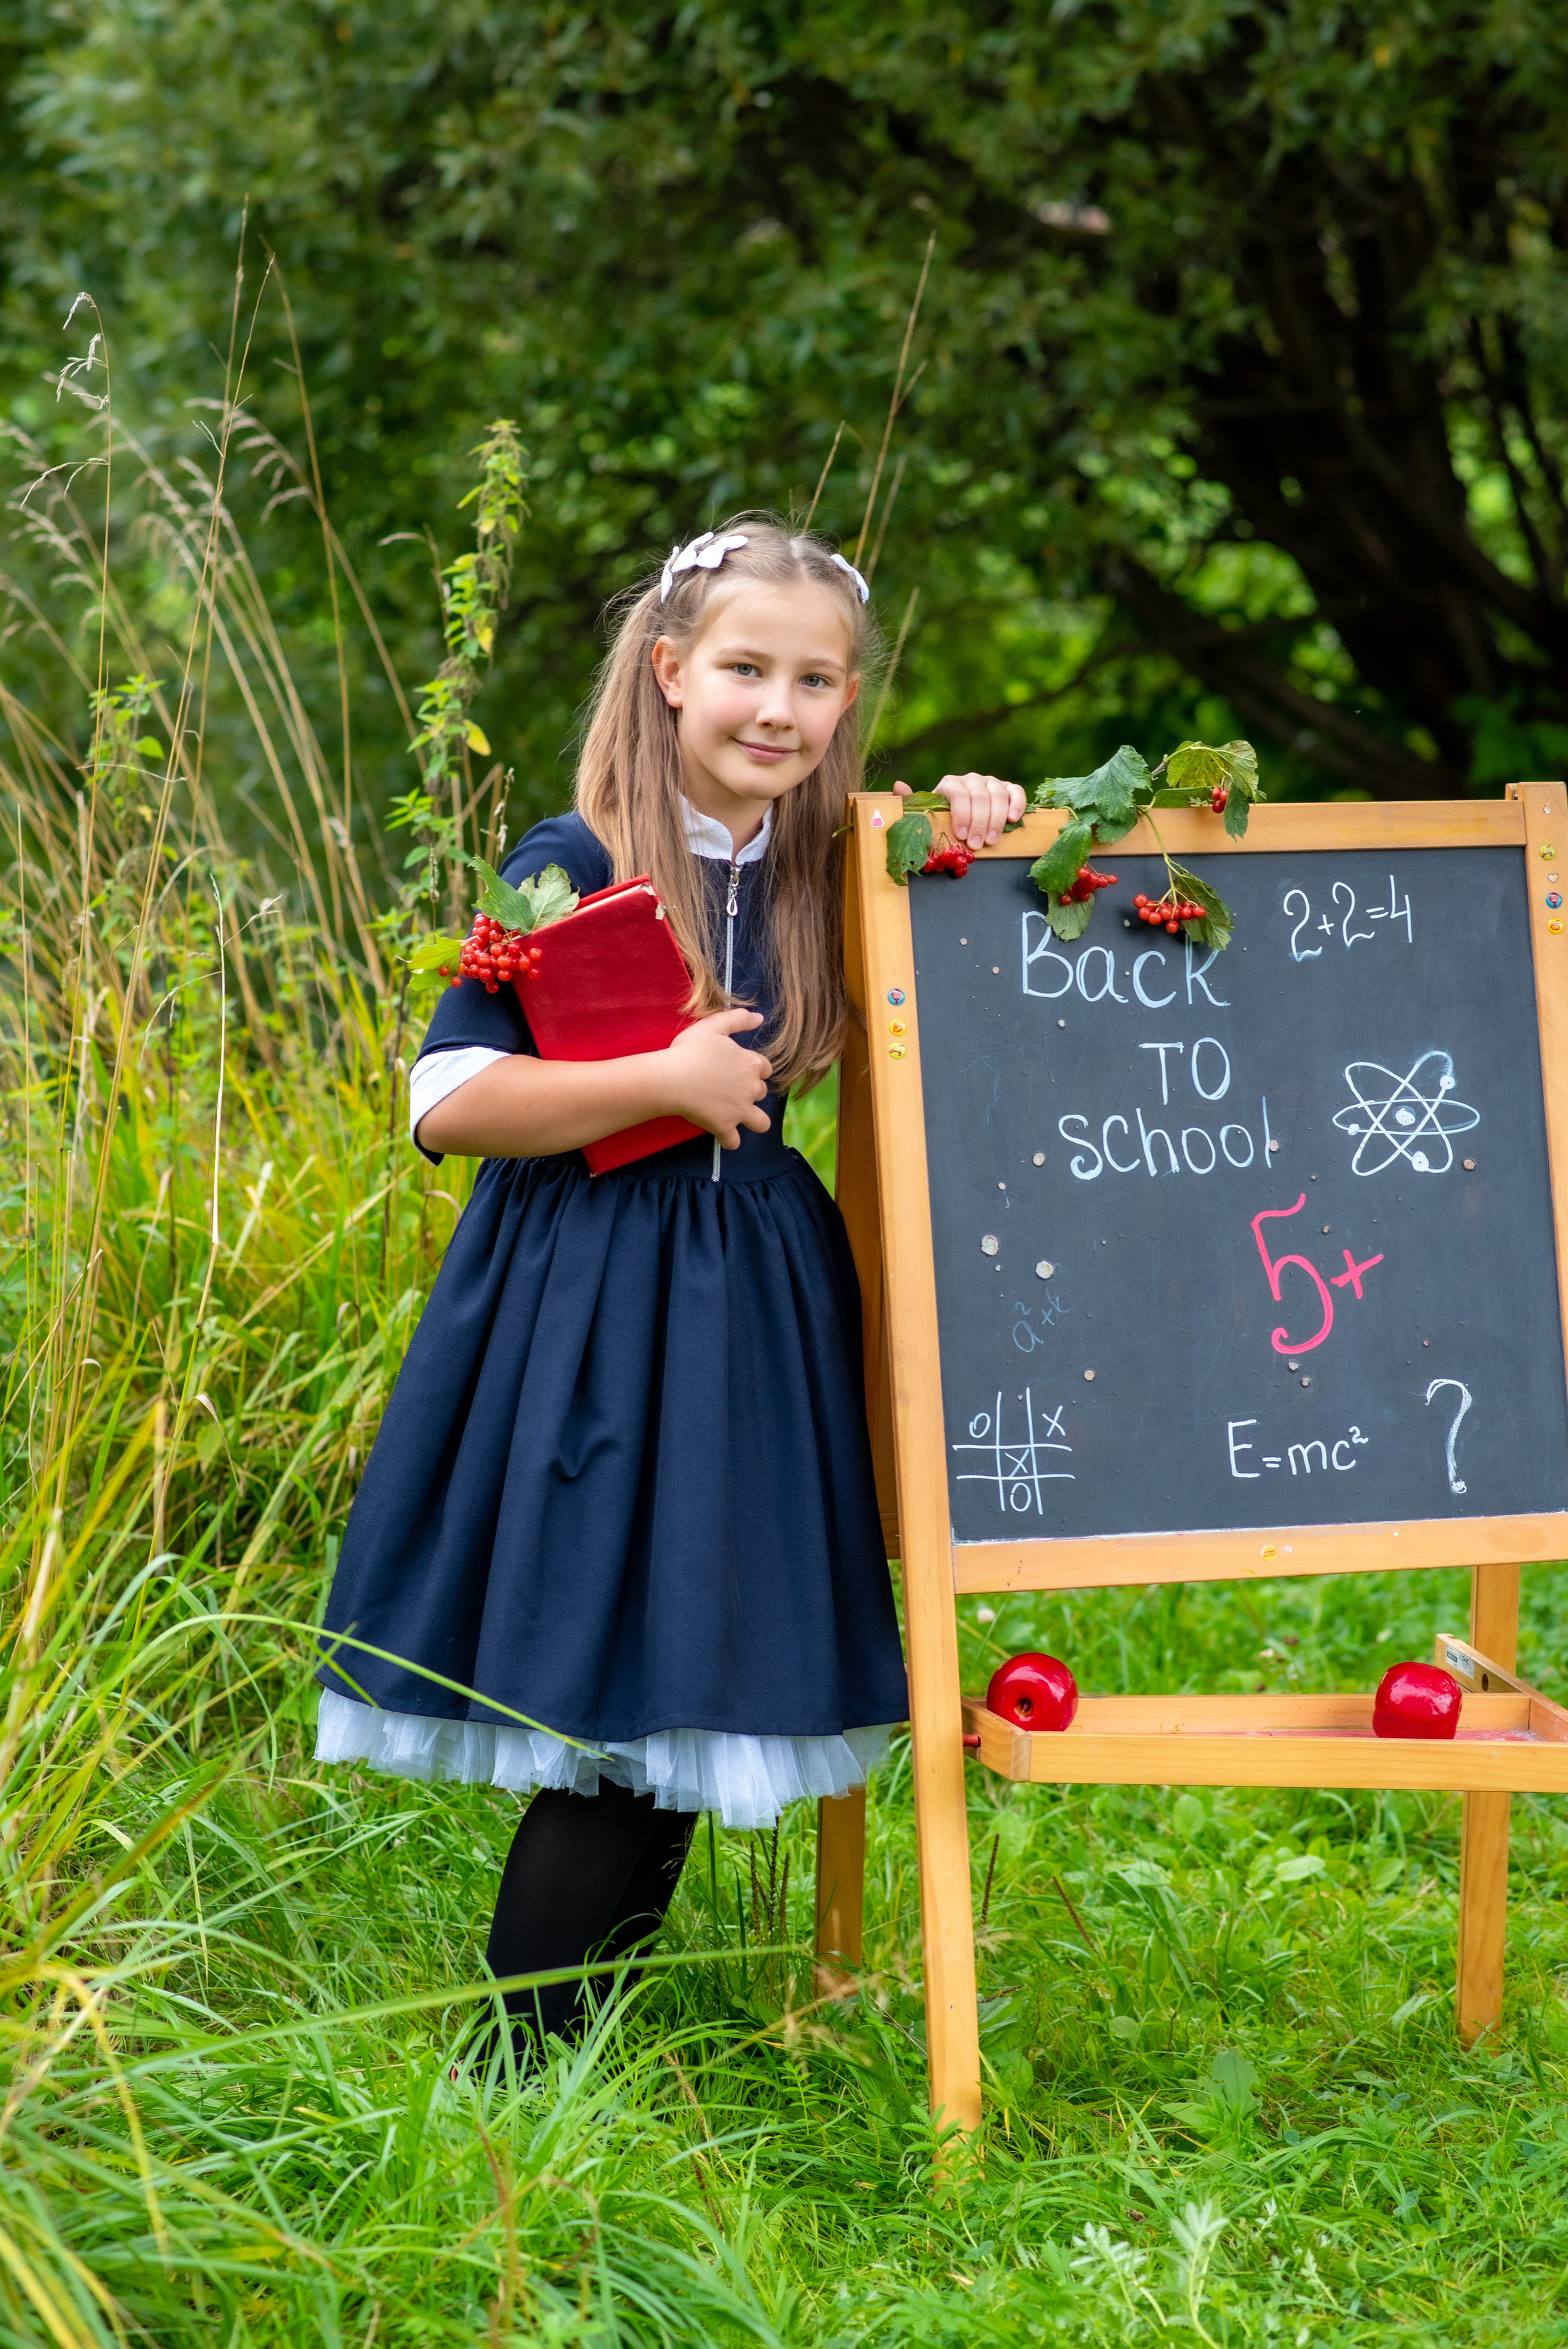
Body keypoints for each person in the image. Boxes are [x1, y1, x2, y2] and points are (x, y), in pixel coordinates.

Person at [314, 516, 1025, 2060]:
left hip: (753, 1300)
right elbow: (445, 1097)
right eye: (744, 669)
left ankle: (565, 2058)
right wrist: (659, 1072)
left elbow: (998, 930)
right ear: (668, 671)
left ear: (847, 701)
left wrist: (975, 815)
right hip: (586, 1299)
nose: (777, 707)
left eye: (814, 680)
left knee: (696, 1659)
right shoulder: (571, 865)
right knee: (607, 1680)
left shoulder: (839, 864)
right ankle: (514, 2065)